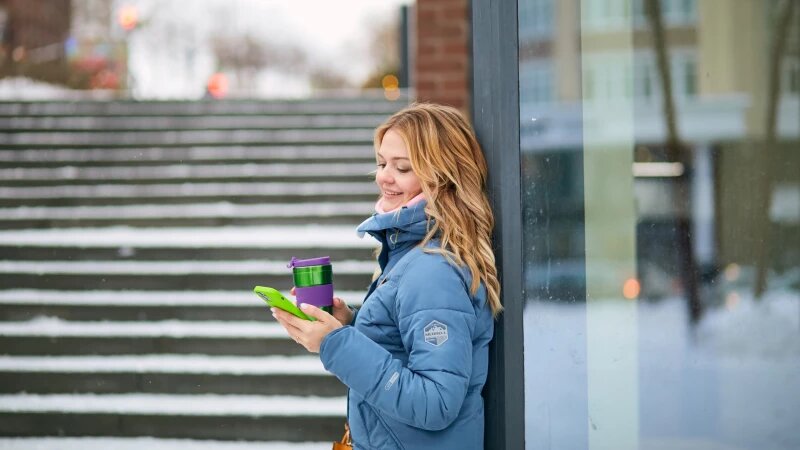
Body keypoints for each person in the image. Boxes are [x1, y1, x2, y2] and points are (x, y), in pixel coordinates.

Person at [271, 102, 502, 450]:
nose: (384, 176)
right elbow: (406, 347)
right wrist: (349, 323)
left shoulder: (433, 272)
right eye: (381, 163)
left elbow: (436, 403)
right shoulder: (409, 254)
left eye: (402, 167)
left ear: (442, 176)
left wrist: (335, 343)